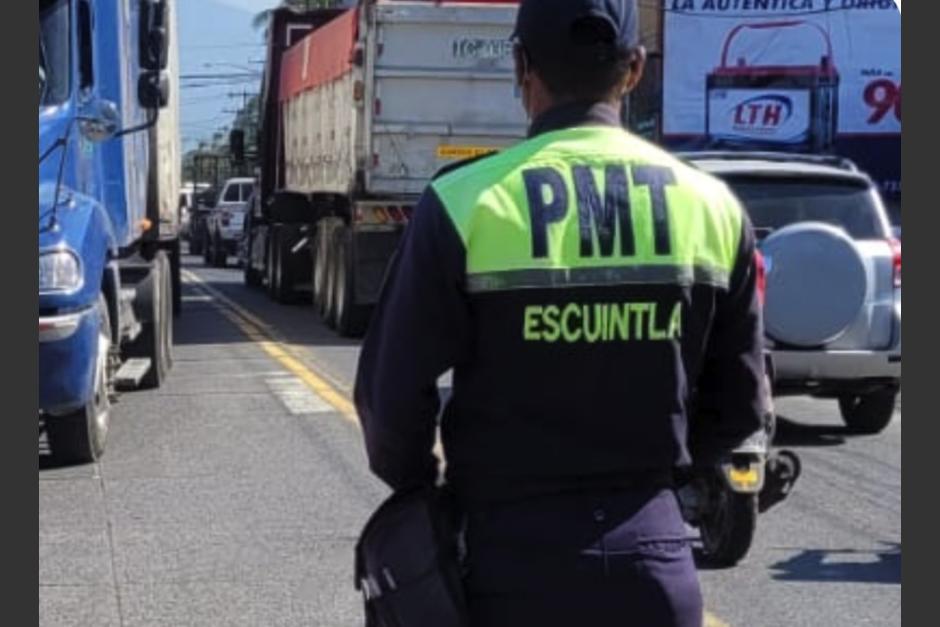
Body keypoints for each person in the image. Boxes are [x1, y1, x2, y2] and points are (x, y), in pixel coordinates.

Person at [354, 0, 769, 624]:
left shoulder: (465, 203)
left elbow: (389, 400)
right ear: (634, 70)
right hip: (655, 567)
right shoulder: (712, 208)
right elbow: (740, 408)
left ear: (521, 67)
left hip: (507, 563)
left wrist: (427, 492)